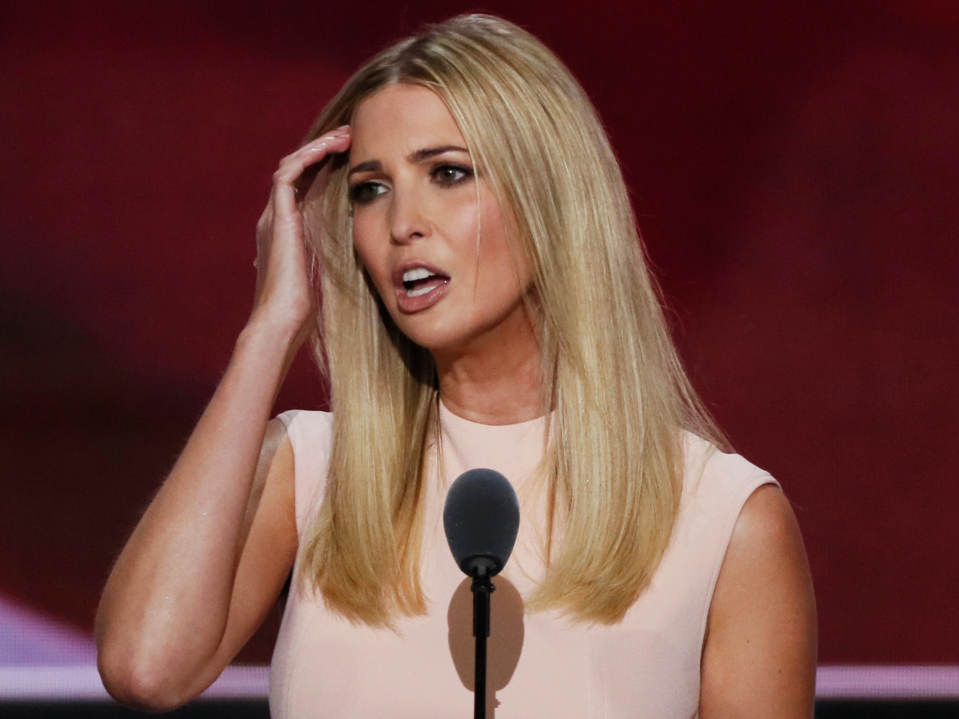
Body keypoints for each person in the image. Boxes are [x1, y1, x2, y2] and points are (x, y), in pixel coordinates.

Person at [95, 13, 817, 718]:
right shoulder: (311, 470)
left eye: (447, 173)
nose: (402, 222)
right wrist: (268, 331)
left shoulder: (725, 518)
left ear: (551, 200)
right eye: (369, 189)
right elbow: (146, 669)